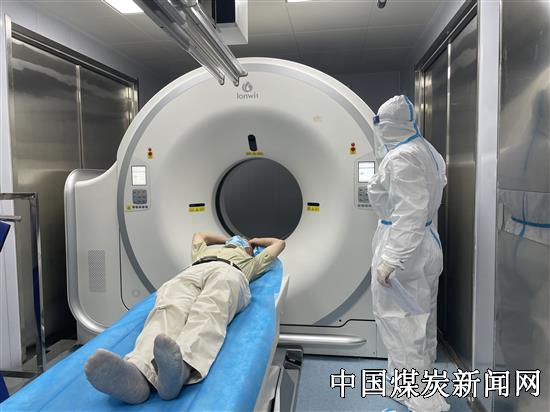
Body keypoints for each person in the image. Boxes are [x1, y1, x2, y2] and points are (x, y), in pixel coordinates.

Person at [84, 233, 285, 404]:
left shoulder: (252, 262)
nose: (236, 240)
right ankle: (138, 374)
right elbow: (200, 235)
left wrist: (252, 242)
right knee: (168, 309)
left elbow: (279, 243)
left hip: (231, 272)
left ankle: (181, 368)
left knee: (209, 310)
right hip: (193, 271)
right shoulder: (202, 253)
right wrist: (227, 240)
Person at [367, 95, 449, 412]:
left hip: (405, 250)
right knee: (420, 320)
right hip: (424, 243)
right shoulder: (425, 150)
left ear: (388, 125)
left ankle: (419, 397)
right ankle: (418, 383)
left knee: (400, 322)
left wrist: (391, 259)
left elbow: (409, 213)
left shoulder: (401, 158)